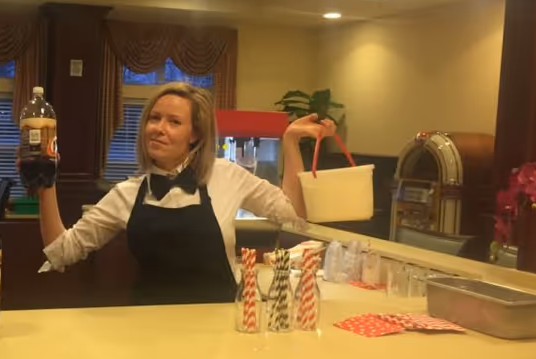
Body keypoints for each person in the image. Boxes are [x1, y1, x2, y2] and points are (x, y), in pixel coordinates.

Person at [37, 82, 334, 305]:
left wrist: (291, 143)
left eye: (174, 122)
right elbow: (62, 251)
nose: (158, 128)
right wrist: (45, 179)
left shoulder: (226, 175)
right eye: (154, 118)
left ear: (195, 134)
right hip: (147, 327)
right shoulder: (127, 193)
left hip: (219, 326)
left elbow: (294, 214)